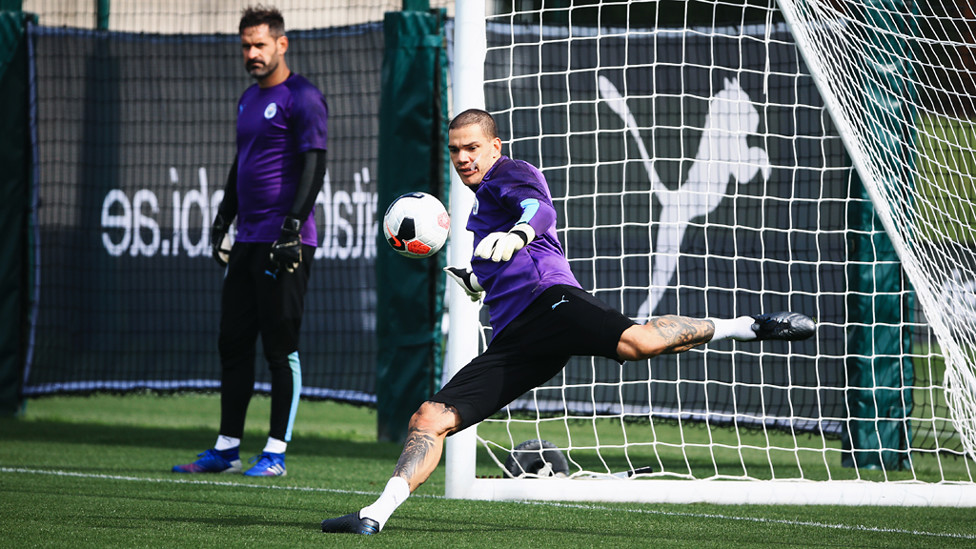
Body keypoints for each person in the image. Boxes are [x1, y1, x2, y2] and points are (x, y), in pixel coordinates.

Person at [321, 109, 814, 534]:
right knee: (430, 418)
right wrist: (477, 278)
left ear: (495, 146)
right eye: (455, 151)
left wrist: (516, 235)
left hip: (551, 301)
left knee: (638, 343)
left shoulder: (509, 174)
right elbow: (499, 264)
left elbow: (538, 209)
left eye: (472, 147)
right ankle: (374, 514)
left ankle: (746, 325)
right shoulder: (478, 211)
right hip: (516, 336)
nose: (463, 158)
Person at [172, 5, 328, 477]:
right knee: (233, 341)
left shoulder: (303, 97)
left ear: (282, 44)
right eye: (246, 45)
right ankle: (226, 448)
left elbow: (314, 165)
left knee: (281, 347)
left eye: (260, 44)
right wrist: (224, 217)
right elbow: (242, 165)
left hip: (286, 241)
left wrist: (291, 228)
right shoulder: (246, 98)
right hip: (247, 238)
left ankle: (275, 453)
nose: (252, 53)